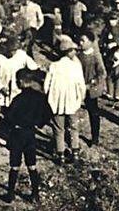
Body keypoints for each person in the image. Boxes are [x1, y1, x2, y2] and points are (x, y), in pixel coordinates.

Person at [5, 68, 53, 204]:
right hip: (31, 134)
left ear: (20, 82)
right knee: (32, 165)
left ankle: (10, 194)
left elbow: (9, 117)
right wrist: (39, 123)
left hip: (17, 133)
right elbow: (48, 113)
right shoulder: (40, 97)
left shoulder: (18, 99)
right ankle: (35, 194)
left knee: (14, 166)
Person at [0, 33, 38, 155]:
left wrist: (27, 78)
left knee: (13, 118)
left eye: (15, 50)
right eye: (11, 50)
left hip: (15, 93)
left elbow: (34, 68)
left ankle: (10, 139)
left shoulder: (22, 56)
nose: (13, 53)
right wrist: (0, 86)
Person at [43, 36, 85, 164]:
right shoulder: (75, 66)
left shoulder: (54, 66)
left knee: (58, 128)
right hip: (72, 102)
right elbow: (81, 86)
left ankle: (60, 154)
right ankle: (75, 152)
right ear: (68, 51)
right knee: (74, 127)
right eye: (73, 50)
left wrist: (50, 97)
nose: (75, 52)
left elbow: (46, 85)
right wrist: (80, 99)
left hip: (57, 103)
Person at [78, 30, 106, 147]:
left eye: (83, 41)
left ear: (90, 42)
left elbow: (102, 73)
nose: (80, 43)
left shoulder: (96, 56)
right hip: (79, 87)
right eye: (80, 40)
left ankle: (95, 138)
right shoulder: (78, 55)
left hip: (90, 89)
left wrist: (91, 84)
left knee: (93, 113)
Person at [101, 16, 119, 102]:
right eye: (110, 19)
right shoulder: (106, 29)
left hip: (118, 54)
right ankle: (110, 92)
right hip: (108, 54)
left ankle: (117, 94)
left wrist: (117, 45)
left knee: (117, 74)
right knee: (109, 73)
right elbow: (102, 41)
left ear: (117, 20)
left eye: (113, 19)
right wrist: (105, 46)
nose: (111, 21)